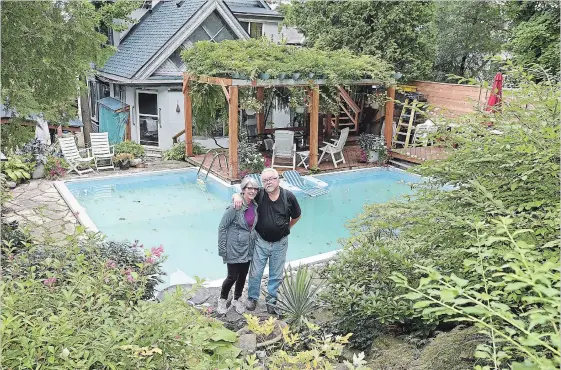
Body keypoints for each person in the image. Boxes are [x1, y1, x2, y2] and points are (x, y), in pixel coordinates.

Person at [233, 168, 301, 314]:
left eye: (271, 179)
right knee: (255, 272)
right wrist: (236, 196)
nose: (268, 182)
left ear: (278, 179)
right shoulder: (260, 194)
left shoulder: (288, 197)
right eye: (265, 180)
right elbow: (244, 195)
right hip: (261, 241)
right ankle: (252, 297)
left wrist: (286, 228)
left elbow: (296, 215)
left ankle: (271, 300)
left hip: (280, 243)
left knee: (276, 273)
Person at [217, 177, 260, 314]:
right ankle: (222, 299)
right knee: (232, 276)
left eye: (255, 189)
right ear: (243, 190)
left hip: (248, 248)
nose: (252, 191)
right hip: (234, 248)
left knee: (243, 276)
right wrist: (222, 249)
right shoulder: (235, 207)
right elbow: (222, 227)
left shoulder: (255, 205)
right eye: (249, 188)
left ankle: (237, 298)